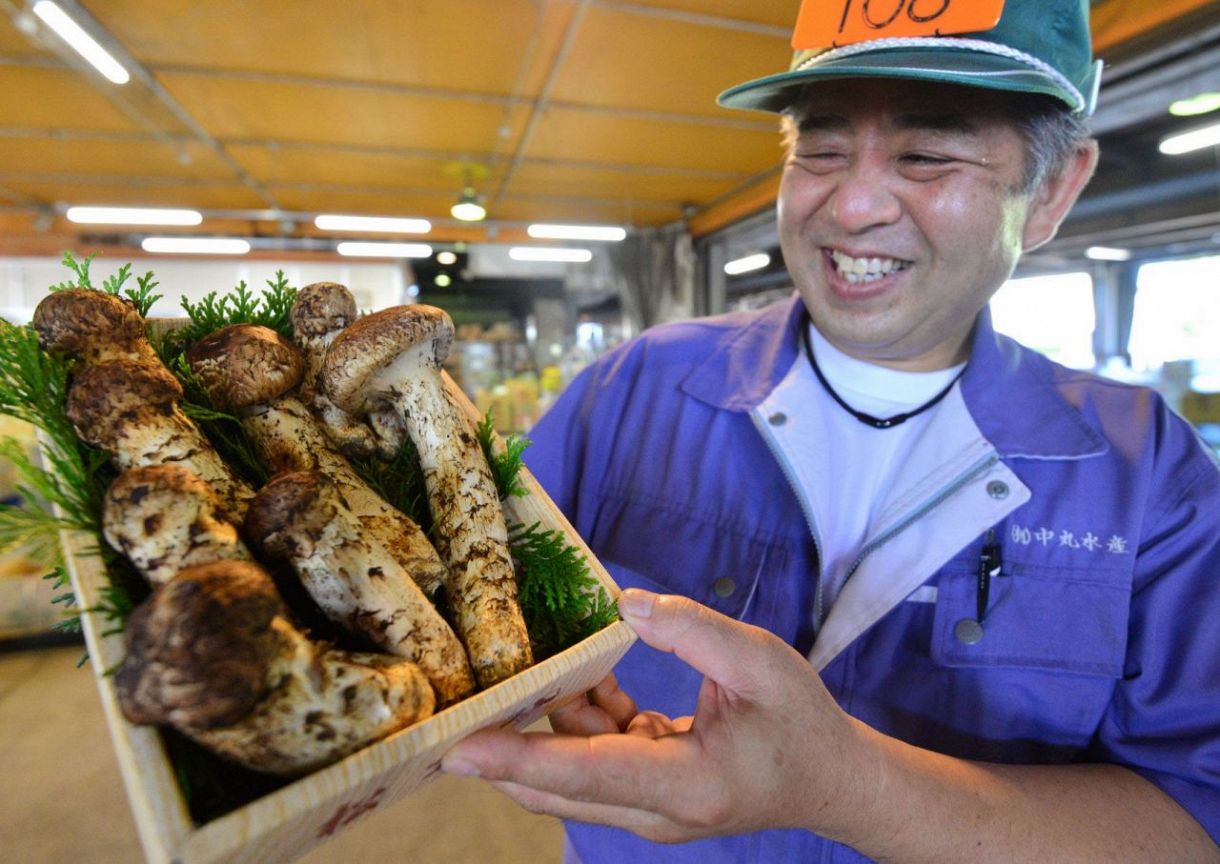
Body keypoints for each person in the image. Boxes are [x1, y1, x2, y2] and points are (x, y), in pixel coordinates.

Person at [441, 1, 1220, 860]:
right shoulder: (633, 390)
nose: (851, 207)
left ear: (1052, 191)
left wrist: (844, 785)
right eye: (820, 148)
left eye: (925, 155)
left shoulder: (1144, 475)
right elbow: (456, 575)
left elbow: (1197, 817)